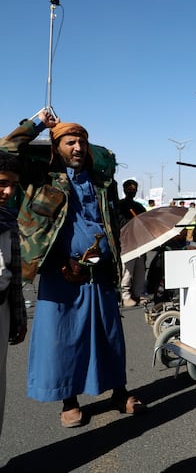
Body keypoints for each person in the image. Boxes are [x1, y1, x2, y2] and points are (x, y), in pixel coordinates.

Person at [0, 109, 145, 428]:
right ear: (56, 146)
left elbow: (104, 224)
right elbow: (4, 150)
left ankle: (118, 393)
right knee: (65, 338)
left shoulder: (100, 180)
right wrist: (36, 123)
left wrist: (100, 258)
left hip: (98, 271)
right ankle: (69, 400)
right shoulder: (39, 174)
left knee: (109, 335)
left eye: (81, 141)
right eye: (69, 141)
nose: (78, 147)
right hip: (58, 272)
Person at [0, 152, 26, 437]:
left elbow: (14, 277)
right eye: (2, 183)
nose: (8, 191)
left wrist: (18, 318)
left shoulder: (8, 221)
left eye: (12, 185)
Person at [118, 179, 147, 307]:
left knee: (140, 269)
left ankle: (139, 293)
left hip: (140, 242)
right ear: (124, 190)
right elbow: (120, 223)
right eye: (130, 189)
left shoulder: (139, 207)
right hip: (126, 242)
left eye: (134, 189)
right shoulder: (119, 206)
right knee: (127, 271)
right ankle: (125, 296)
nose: (132, 191)